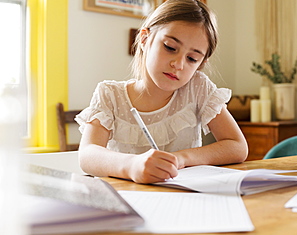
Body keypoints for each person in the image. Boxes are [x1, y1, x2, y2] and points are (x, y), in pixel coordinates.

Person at [76, 0, 248, 184]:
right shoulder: (110, 94)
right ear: (144, 39)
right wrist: (132, 165)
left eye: (192, 58)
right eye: (170, 47)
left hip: (182, 199)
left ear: (201, 64)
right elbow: (87, 155)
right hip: (126, 200)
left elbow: (237, 146)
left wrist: (181, 159)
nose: (178, 64)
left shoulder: (197, 88)